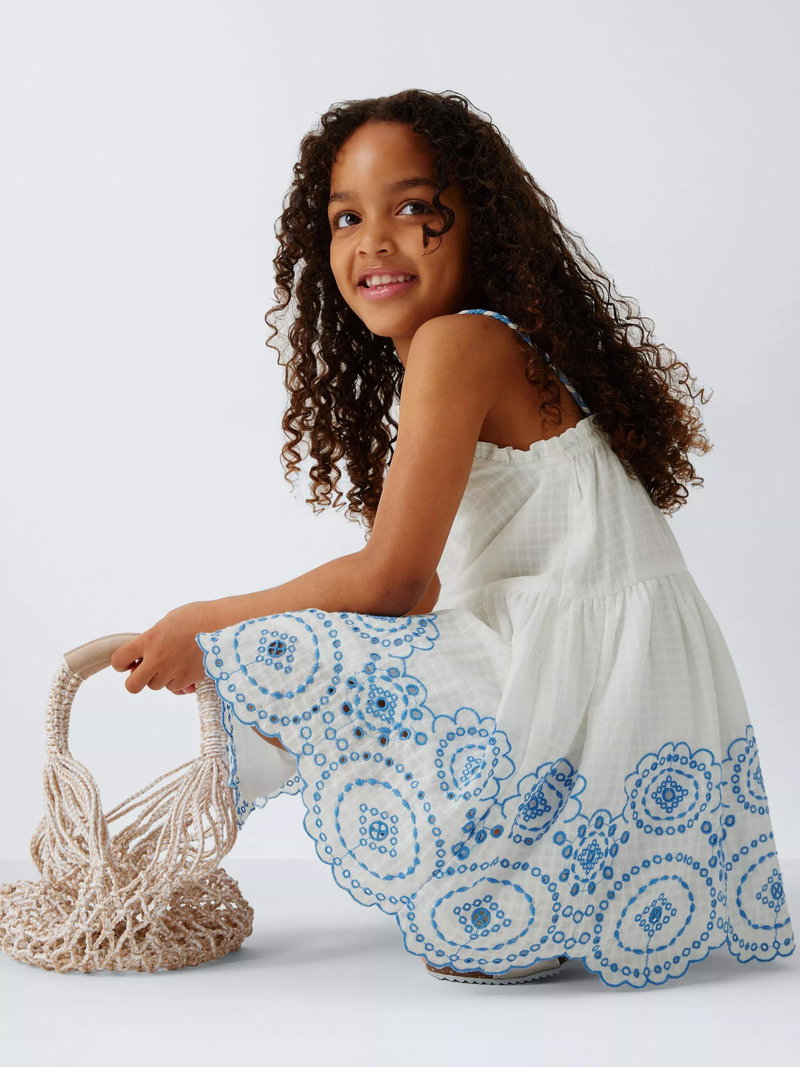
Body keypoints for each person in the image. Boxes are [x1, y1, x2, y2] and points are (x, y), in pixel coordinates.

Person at [109, 89, 795, 990]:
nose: (372, 241)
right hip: (628, 695)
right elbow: (424, 592)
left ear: (483, 224)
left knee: (283, 649)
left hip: (582, 694)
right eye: (346, 217)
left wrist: (209, 625)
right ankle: (512, 883)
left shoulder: (457, 344)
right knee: (300, 648)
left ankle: (500, 881)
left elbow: (393, 581)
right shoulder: (493, 347)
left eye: (410, 208)